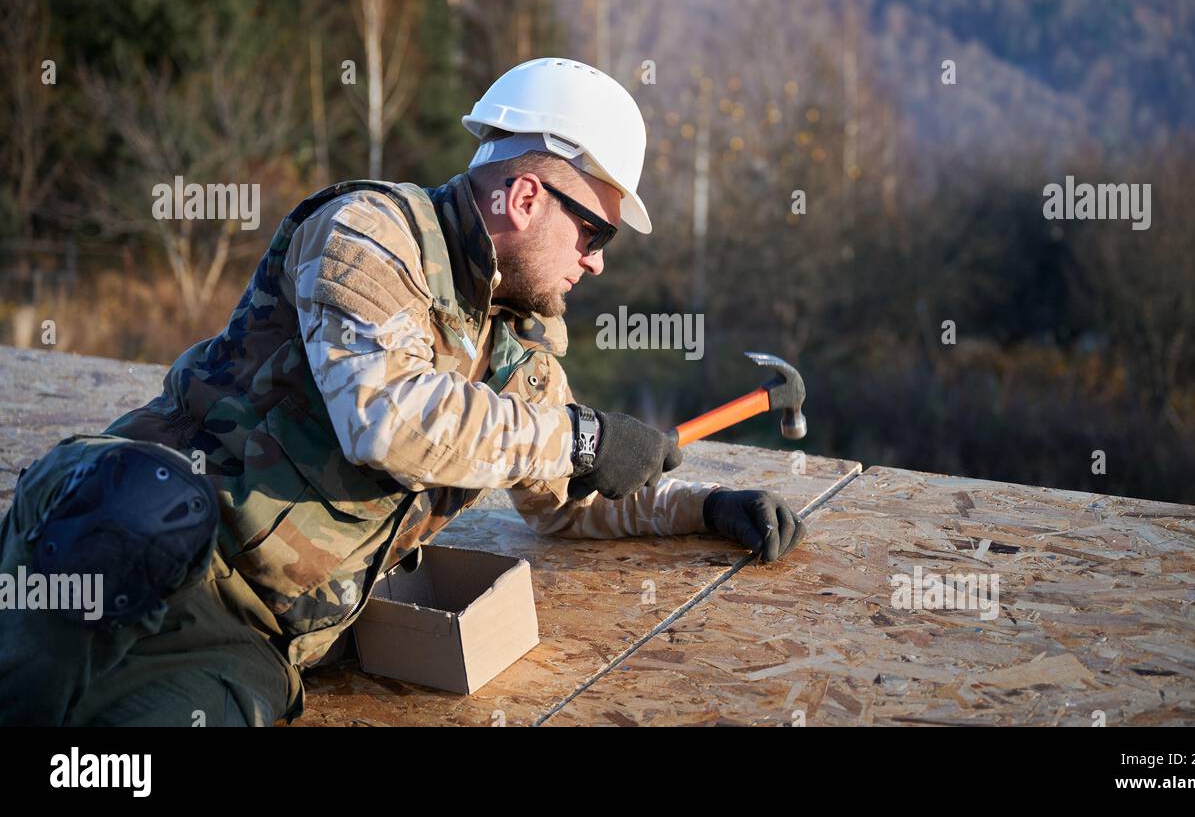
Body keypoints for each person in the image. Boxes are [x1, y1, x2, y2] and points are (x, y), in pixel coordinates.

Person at [0, 58, 804, 726]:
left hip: (244, 629)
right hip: (139, 531)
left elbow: (563, 499)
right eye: (595, 232)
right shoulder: (371, 233)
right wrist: (579, 435)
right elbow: (384, 417)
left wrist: (704, 505)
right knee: (108, 565)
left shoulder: (522, 354)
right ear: (526, 197)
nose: (597, 262)